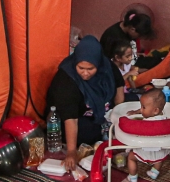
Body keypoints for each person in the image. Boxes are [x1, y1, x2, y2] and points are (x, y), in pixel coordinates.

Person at [47, 35, 125, 170]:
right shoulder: (66, 80)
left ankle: (105, 133)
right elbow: (70, 119)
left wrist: (117, 118)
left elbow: (119, 89)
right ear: (75, 62)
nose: (85, 73)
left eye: (90, 69)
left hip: (104, 111)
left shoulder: (107, 67)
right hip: (76, 117)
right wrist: (72, 152)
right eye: (81, 68)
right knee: (86, 135)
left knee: (134, 105)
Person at [119, 89, 170, 182]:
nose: (141, 109)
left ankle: (133, 176)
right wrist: (136, 111)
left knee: (131, 157)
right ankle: (154, 172)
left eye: (143, 107)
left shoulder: (143, 125)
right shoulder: (165, 120)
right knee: (160, 158)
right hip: (160, 153)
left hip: (143, 152)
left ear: (155, 111)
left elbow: (135, 135)